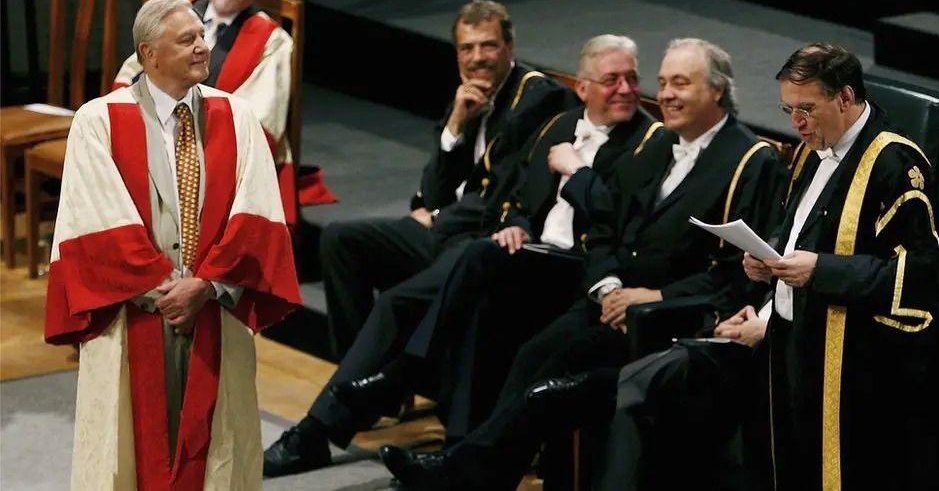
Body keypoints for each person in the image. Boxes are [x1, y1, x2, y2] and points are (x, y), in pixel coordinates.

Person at [379, 38, 787, 490]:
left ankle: (458, 473)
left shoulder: (752, 160)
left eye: (681, 83)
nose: (666, 94)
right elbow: (604, 226)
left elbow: (740, 272)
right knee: (532, 354)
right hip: (610, 303)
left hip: (665, 320)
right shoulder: (656, 148)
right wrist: (608, 285)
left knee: (556, 374)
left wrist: (655, 297)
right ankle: (467, 471)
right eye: (664, 83)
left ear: (716, 91)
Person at [262, 34, 650, 477]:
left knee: (467, 266)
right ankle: (448, 450)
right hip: (514, 251)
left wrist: (577, 173)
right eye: (611, 80)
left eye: (632, 79)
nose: (625, 89)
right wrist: (516, 225)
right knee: (439, 283)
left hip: (575, 268)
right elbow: (515, 198)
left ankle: (394, 380)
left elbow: (620, 220)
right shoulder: (561, 126)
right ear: (583, 88)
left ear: (509, 46)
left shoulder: (645, 142)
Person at [44, 0, 301, 490]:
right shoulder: (98, 122)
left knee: (218, 451)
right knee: (125, 450)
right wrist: (164, 289)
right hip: (131, 312)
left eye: (202, 36)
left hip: (215, 308)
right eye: (188, 40)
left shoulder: (237, 117)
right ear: (150, 54)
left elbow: (256, 215)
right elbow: (95, 221)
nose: (204, 47)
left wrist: (205, 285)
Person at [739, 42, 939, 490]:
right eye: (788, 108)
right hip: (794, 344)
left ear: (845, 98)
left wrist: (820, 271)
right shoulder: (811, 149)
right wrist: (768, 257)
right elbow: (800, 232)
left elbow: (921, 279)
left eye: (807, 108)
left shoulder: (894, 164)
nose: (795, 123)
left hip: (856, 368)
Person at [318, 0, 574, 359]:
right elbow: (433, 191)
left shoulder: (536, 100)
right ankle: (354, 369)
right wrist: (455, 125)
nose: (477, 58)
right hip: (444, 230)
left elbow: (499, 195)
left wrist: (437, 217)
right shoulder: (469, 96)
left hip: (478, 239)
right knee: (339, 240)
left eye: (488, 45)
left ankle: (365, 385)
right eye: (467, 48)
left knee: (397, 300)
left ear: (509, 48)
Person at [112, 0, 319, 226]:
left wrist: (182, 142)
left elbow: (258, 124)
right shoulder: (179, 12)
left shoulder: (272, 41)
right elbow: (132, 70)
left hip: (217, 160)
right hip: (152, 134)